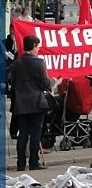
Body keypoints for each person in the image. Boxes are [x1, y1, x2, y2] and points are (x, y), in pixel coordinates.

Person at [9, 35, 52, 172]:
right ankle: (34, 161)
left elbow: (12, 81)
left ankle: (20, 163)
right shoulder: (39, 63)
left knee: (23, 134)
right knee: (35, 133)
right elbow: (45, 84)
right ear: (34, 46)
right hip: (36, 103)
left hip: (21, 103)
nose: (38, 49)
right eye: (38, 46)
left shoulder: (17, 63)